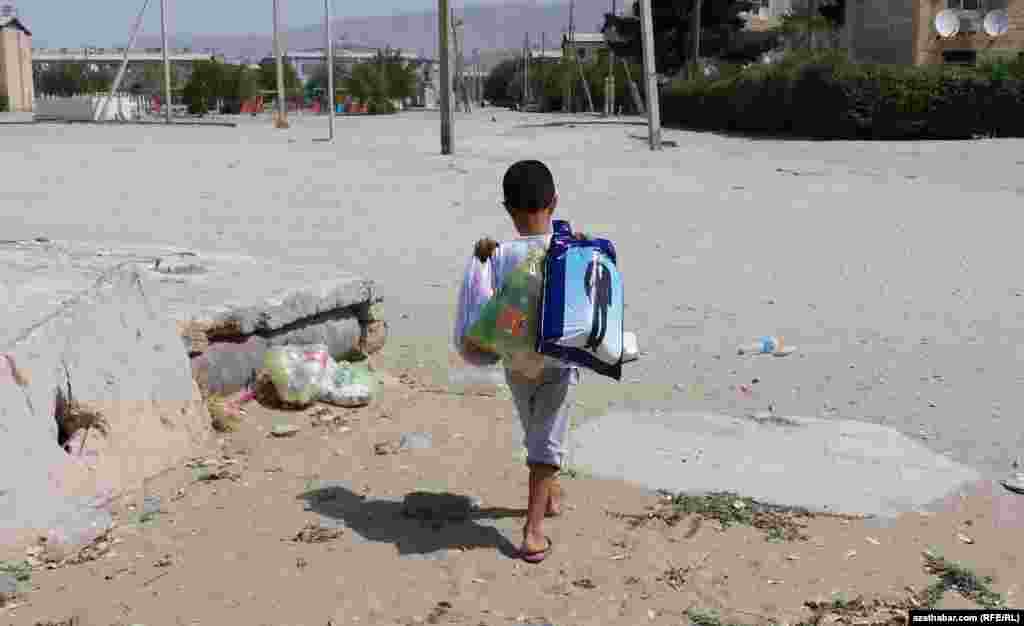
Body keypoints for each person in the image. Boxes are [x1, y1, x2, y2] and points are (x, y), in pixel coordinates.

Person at [459, 160, 580, 564]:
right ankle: (532, 533)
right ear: (555, 202)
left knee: (536, 429)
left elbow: (482, 302)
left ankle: (550, 495)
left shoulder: (498, 254)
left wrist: (481, 253)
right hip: (559, 362)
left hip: (515, 363)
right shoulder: (568, 249)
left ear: (507, 209)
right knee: (547, 438)